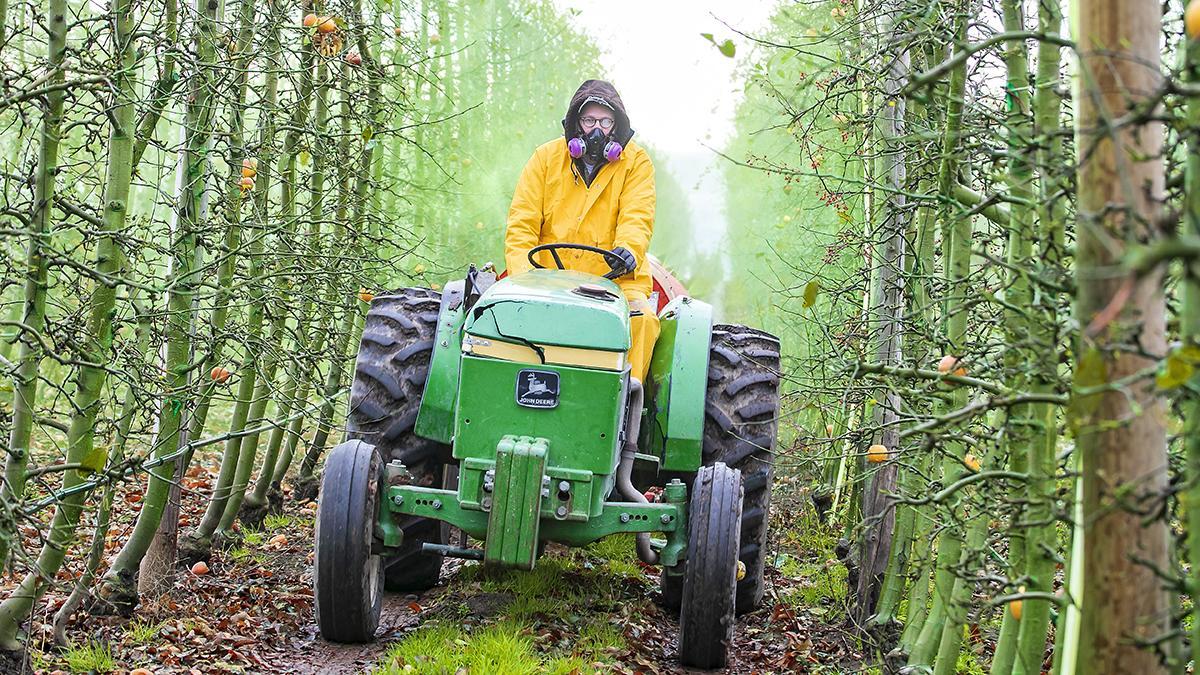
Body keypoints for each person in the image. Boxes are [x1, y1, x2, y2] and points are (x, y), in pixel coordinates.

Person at [504, 79, 659, 383]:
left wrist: (628, 249)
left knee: (642, 320)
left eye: (605, 120)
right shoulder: (545, 159)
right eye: (589, 120)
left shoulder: (636, 163)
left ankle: (627, 404)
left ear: (617, 125)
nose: (596, 129)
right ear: (576, 123)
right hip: (545, 280)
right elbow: (521, 224)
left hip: (615, 283)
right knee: (500, 318)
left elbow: (638, 216)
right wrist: (524, 279)